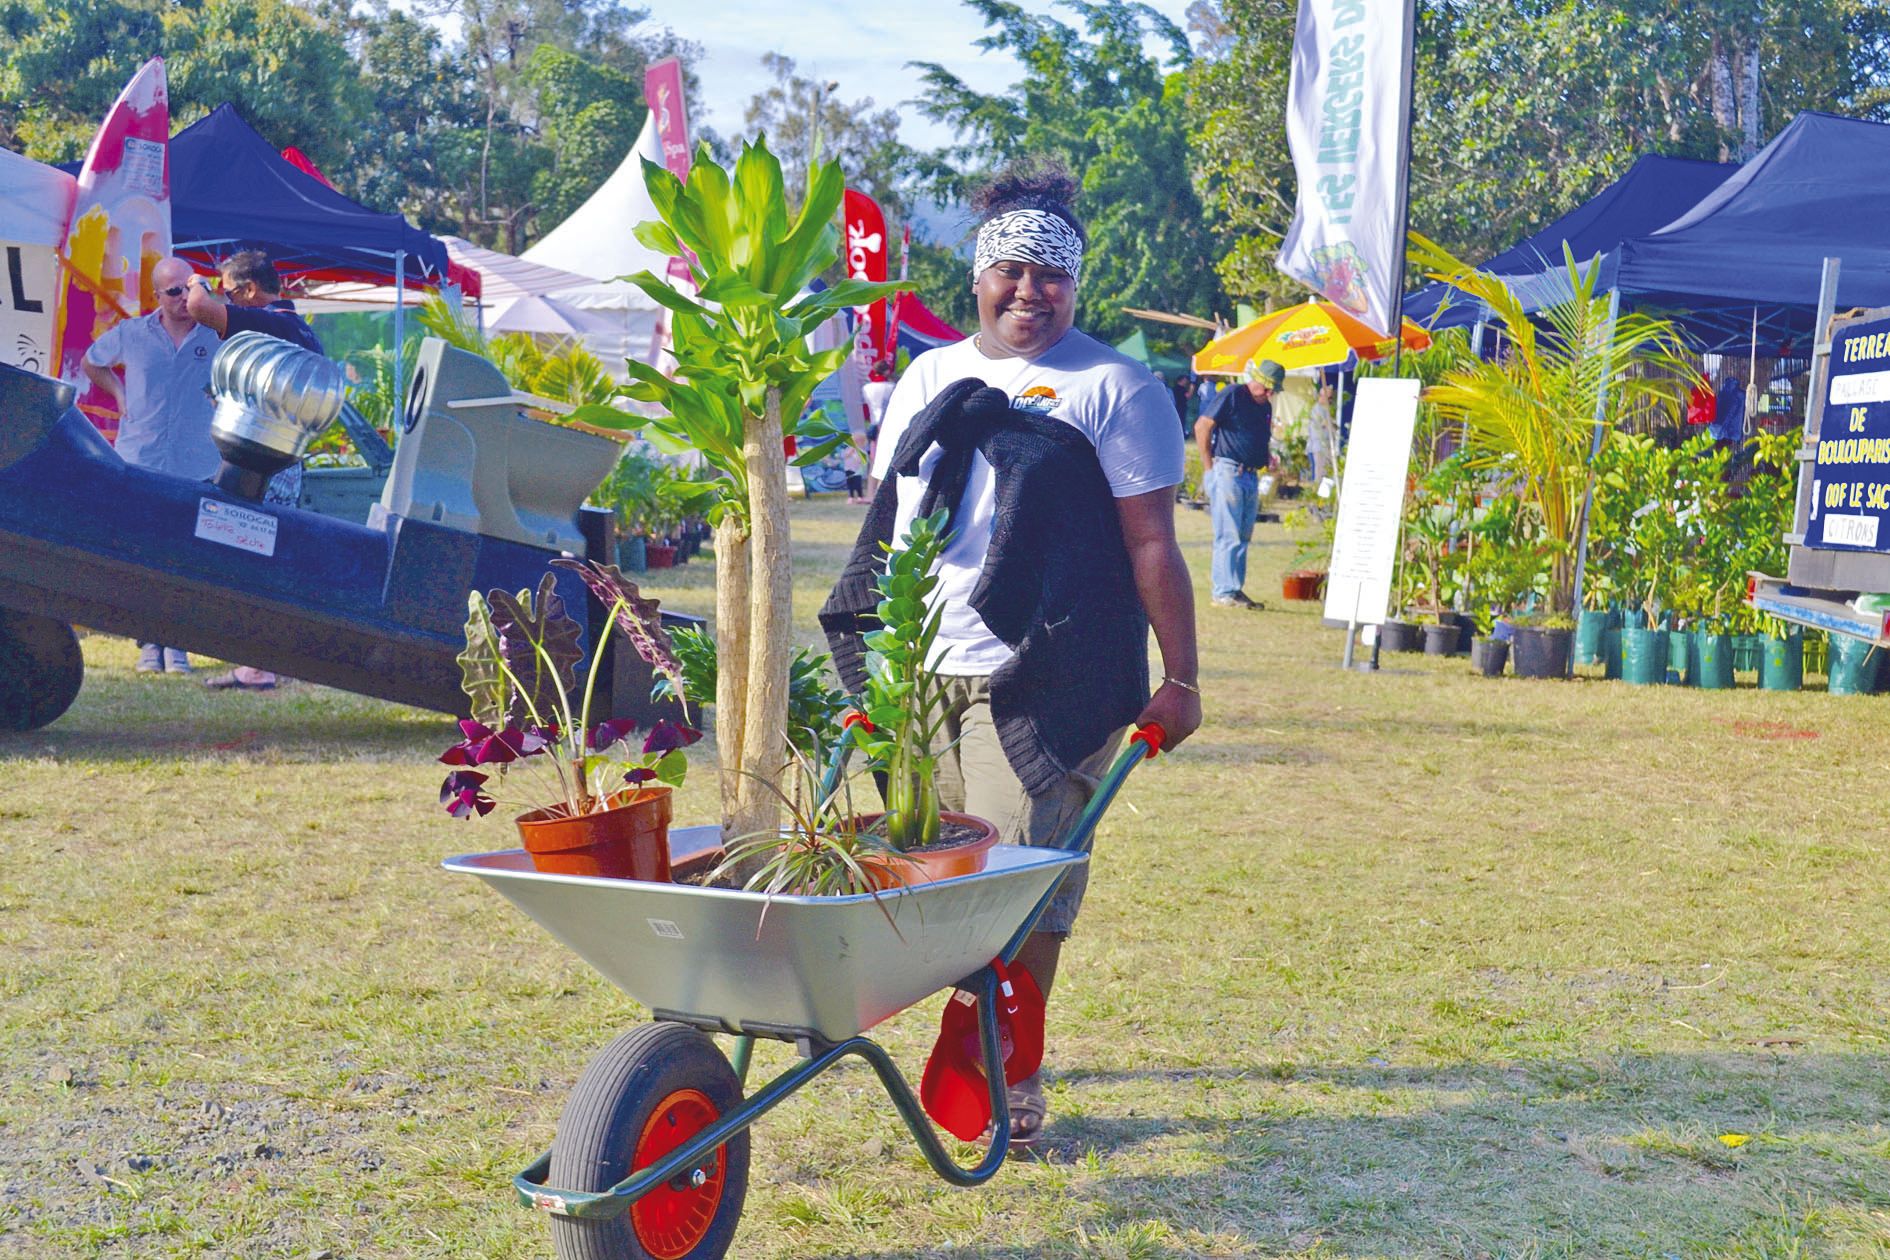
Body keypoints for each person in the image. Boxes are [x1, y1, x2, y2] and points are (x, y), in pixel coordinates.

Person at [821, 160, 1201, 1155]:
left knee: (1021, 880)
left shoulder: (1115, 388)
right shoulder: (928, 378)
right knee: (928, 871)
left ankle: (1009, 1064)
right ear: (978, 278)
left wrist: (1182, 677)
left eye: (1052, 275)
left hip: (1043, 672)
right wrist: (879, 660)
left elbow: (1151, 543)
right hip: (922, 669)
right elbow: (894, 525)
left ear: (1076, 285)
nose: (1030, 291)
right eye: (1012, 271)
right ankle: (967, 1041)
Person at [186, 250, 326, 691]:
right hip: (281, 462)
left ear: (249, 290)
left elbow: (199, 308)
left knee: (251, 560)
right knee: (262, 559)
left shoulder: (270, 322)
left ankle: (259, 667)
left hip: (262, 467)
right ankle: (261, 662)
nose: (224, 299)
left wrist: (195, 283)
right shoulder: (298, 328)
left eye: (229, 291)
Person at [81, 255, 220, 675]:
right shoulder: (132, 333)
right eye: (174, 291)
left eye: (190, 288)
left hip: (195, 461)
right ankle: (148, 642)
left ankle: (178, 645)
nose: (183, 298)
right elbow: (93, 361)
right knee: (142, 555)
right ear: (157, 295)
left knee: (184, 557)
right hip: (140, 459)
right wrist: (119, 396)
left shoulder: (216, 334)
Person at [1195, 358, 1281, 609]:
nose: (1269, 394)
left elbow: (1258, 436)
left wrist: (1267, 458)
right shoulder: (1232, 394)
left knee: (1243, 535)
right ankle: (1223, 591)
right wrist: (1209, 468)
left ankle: (1234, 588)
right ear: (1256, 380)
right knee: (1228, 534)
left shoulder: (1265, 406)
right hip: (1228, 472)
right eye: (1267, 388)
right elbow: (1202, 426)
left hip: (1251, 475)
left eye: (1273, 390)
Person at [1308, 378, 1336, 485]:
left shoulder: (1324, 409)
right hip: (1319, 447)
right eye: (1329, 397)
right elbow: (1324, 424)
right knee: (1320, 476)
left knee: (1326, 475)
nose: (1330, 400)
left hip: (1325, 447)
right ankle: (1317, 493)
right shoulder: (1317, 409)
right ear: (1322, 396)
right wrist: (1331, 425)